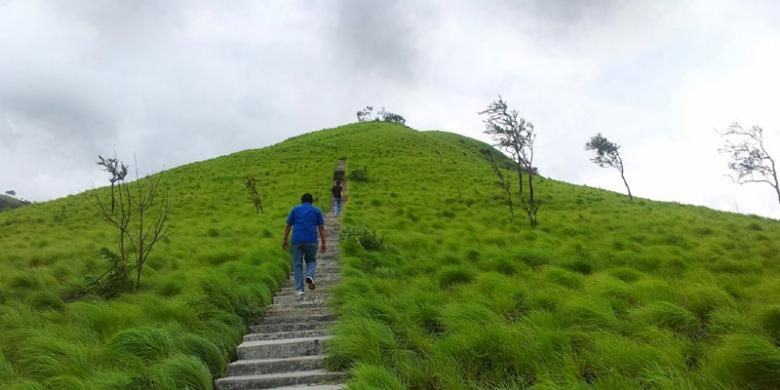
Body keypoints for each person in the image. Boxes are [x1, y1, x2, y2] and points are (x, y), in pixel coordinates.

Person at [283, 193, 326, 295]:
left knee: (297, 264)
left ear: (301, 201)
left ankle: (299, 289)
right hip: (311, 240)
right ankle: (310, 275)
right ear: (312, 201)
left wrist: (284, 240)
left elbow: (288, 226)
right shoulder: (316, 211)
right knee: (311, 260)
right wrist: (324, 242)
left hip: (297, 240)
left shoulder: (295, 210)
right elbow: (321, 228)